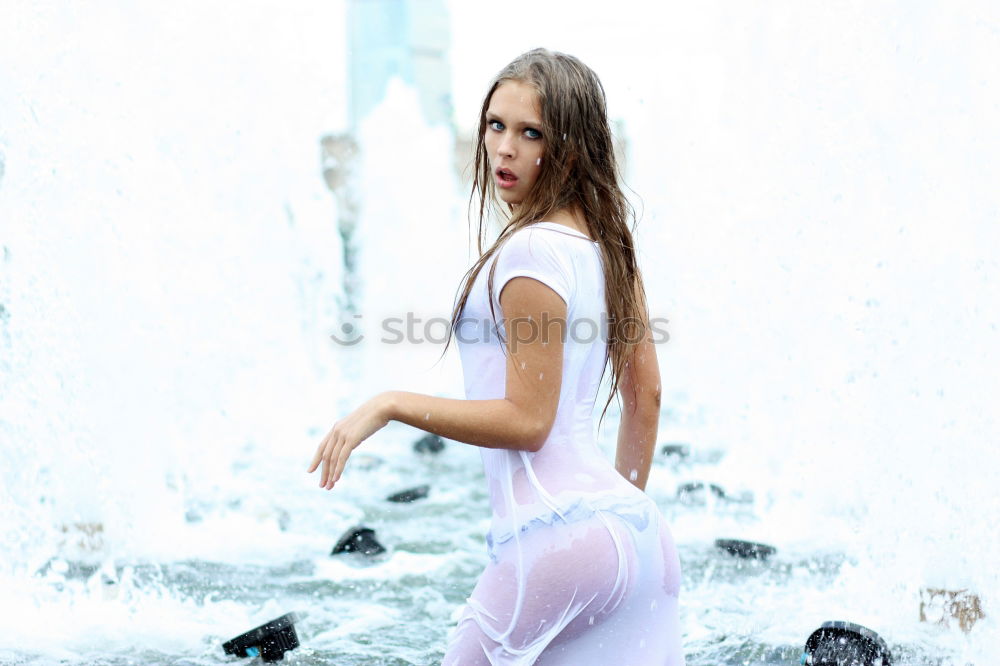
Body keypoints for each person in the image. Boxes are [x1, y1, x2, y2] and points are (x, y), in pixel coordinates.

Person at [308, 48, 683, 664]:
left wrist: (391, 403)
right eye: (495, 124)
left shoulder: (531, 252)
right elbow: (647, 398)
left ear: (566, 148)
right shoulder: (608, 247)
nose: (504, 148)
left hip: (555, 540)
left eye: (530, 132)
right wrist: (615, 524)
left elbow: (529, 422)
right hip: (640, 540)